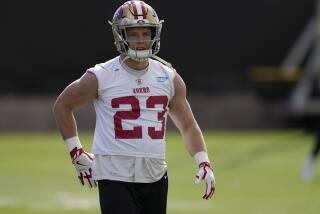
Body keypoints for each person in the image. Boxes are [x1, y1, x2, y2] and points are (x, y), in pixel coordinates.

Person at [53, 1, 215, 213]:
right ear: (120, 35)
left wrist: (203, 161)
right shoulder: (101, 76)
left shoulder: (169, 78)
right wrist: (76, 152)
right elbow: (63, 105)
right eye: (133, 33)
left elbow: (188, 125)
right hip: (114, 176)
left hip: (156, 175)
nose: (140, 41)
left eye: (146, 33)